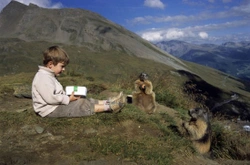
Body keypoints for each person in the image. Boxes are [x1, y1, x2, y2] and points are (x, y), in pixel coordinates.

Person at [31, 46, 125, 117]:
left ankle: (108, 102)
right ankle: (110, 107)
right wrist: (67, 99)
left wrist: (68, 97)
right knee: (80, 105)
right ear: (51, 64)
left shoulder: (49, 76)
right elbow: (50, 98)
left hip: (54, 106)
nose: (63, 69)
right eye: (62, 66)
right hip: (49, 110)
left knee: (83, 99)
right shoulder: (43, 78)